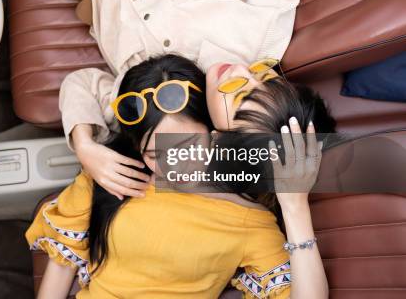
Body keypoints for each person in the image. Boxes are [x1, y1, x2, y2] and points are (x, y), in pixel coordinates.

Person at [54, 0, 312, 199]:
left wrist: (85, 145)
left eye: (239, 97)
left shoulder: (147, 112)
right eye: (263, 79)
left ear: (216, 136)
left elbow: (81, 84)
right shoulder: (262, 36)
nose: (242, 74)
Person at [26, 55, 334, 298]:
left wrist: (295, 206)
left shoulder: (249, 222)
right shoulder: (113, 173)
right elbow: (62, 260)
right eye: (153, 155)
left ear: (215, 137)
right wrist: (85, 145)